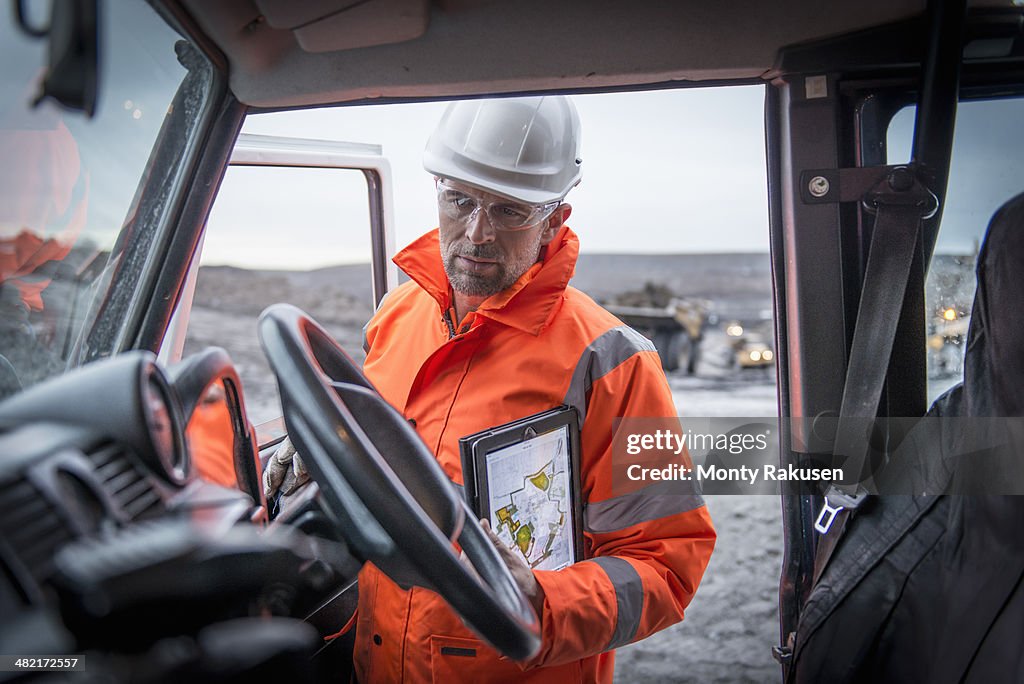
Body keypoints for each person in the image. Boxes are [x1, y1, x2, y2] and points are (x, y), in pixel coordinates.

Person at [267, 95, 716, 682]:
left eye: (510, 212)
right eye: (460, 200)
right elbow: (396, 460)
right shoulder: (397, 315)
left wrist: (541, 598)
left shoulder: (611, 362)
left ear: (554, 219)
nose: (477, 233)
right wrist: (330, 452)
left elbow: (665, 569)